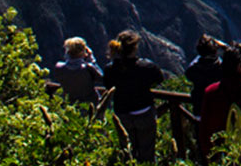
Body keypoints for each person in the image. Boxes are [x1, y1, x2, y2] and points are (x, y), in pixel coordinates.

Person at [104, 30, 166, 163]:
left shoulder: (110, 69)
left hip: (122, 114)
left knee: (127, 150)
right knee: (147, 152)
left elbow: (108, 85)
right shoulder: (147, 66)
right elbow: (159, 79)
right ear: (135, 47)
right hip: (144, 112)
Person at [52, 36, 103, 105]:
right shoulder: (88, 68)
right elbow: (102, 78)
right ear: (83, 51)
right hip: (89, 105)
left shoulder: (59, 67)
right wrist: (92, 61)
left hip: (70, 105)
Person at [186, 34, 225, 119]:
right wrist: (225, 47)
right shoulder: (221, 68)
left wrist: (200, 56)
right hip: (218, 109)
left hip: (199, 109)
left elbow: (188, 73)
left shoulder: (194, 69)